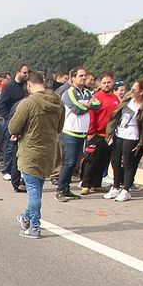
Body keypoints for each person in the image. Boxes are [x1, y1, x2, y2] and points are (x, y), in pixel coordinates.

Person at [8, 71, 63, 239]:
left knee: (33, 190)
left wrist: (21, 132)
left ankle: (35, 227)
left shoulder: (28, 103)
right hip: (48, 152)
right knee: (37, 188)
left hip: (30, 151)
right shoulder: (59, 103)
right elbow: (59, 128)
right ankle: (26, 217)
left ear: (29, 85)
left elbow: (13, 127)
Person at [105, 78, 143, 202]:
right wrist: (111, 131)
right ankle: (115, 186)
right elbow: (117, 114)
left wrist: (141, 141)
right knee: (115, 161)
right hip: (119, 132)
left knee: (128, 163)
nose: (131, 91)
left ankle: (126, 189)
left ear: (142, 92)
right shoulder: (128, 98)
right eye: (131, 88)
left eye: (134, 89)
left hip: (133, 135)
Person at [55, 68, 100, 200]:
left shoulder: (86, 92)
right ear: (73, 78)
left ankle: (66, 188)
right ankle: (60, 190)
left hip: (82, 133)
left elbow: (97, 105)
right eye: (80, 75)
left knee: (74, 162)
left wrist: (87, 104)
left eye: (84, 75)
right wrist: (88, 105)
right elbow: (77, 109)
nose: (83, 78)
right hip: (70, 132)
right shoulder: (69, 92)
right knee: (68, 162)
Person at [79, 73, 120, 193]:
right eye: (104, 83)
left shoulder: (115, 98)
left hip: (109, 135)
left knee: (104, 160)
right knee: (91, 160)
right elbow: (91, 115)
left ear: (112, 82)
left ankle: (96, 184)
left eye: (109, 82)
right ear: (100, 84)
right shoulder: (96, 97)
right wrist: (91, 132)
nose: (107, 85)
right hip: (96, 133)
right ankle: (86, 184)